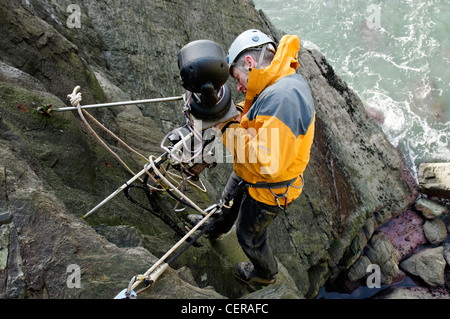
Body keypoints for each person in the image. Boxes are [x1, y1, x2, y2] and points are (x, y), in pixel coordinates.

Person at [187, 29, 315, 286]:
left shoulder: (283, 98)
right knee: (227, 201)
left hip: (271, 187)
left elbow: (266, 162)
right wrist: (232, 116)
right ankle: (217, 225)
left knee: (249, 236)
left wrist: (224, 125)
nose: (238, 86)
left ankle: (265, 274)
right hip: (251, 171)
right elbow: (261, 125)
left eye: (236, 77)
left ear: (249, 63)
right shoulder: (277, 82)